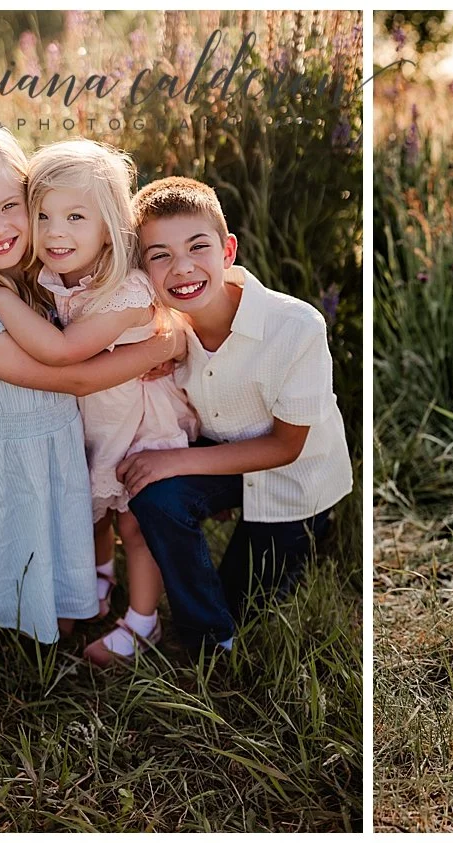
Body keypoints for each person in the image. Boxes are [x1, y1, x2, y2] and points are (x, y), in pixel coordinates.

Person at [0, 127, 178, 644]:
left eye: (12, 206)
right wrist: (162, 346)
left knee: (64, 622)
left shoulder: (34, 270)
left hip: (56, 458)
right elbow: (70, 375)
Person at [105, 176, 354, 663]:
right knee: (154, 493)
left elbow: (286, 447)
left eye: (198, 247)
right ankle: (208, 639)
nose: (182, 268)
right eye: (160, 256)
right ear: (143, 269)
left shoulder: (296, 325)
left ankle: (313, 531)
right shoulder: (163, 331)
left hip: (291, 480)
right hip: (224, 461)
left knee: (251, 604)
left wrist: (177, 461)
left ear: (227, 250)